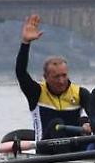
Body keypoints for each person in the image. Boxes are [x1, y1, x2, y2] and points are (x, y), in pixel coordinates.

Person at [15, 14, 91, 151]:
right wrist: (25, 43)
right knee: (57, 124)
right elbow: (21, 72)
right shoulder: (36, 92)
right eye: (56, 77)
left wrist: (89, 123)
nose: (61, 81)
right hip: (46, 149)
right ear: (45, 77)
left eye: (64, 75)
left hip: (74, 149)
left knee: (84, 122)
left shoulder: (80, 93)